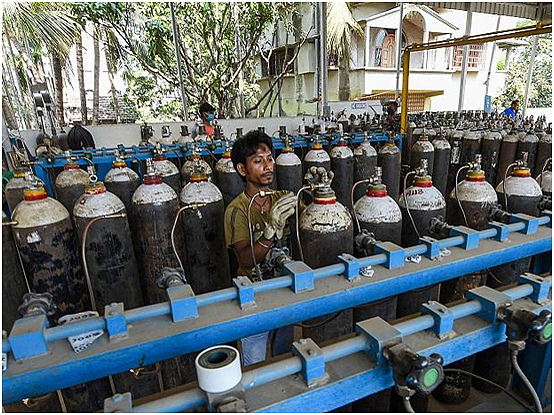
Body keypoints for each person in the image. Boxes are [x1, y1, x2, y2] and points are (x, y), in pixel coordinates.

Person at [224, 130, 298, 366]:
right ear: (242, 170)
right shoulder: (237, 210)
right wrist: (269, 231)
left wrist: (322, 198)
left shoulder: (282, 197)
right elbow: (246, 260)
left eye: (269, 159)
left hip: (284, 288)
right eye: (258, 161)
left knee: (284, 354)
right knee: (254, 361)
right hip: (253, 295)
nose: (267, 166)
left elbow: (311, 221)